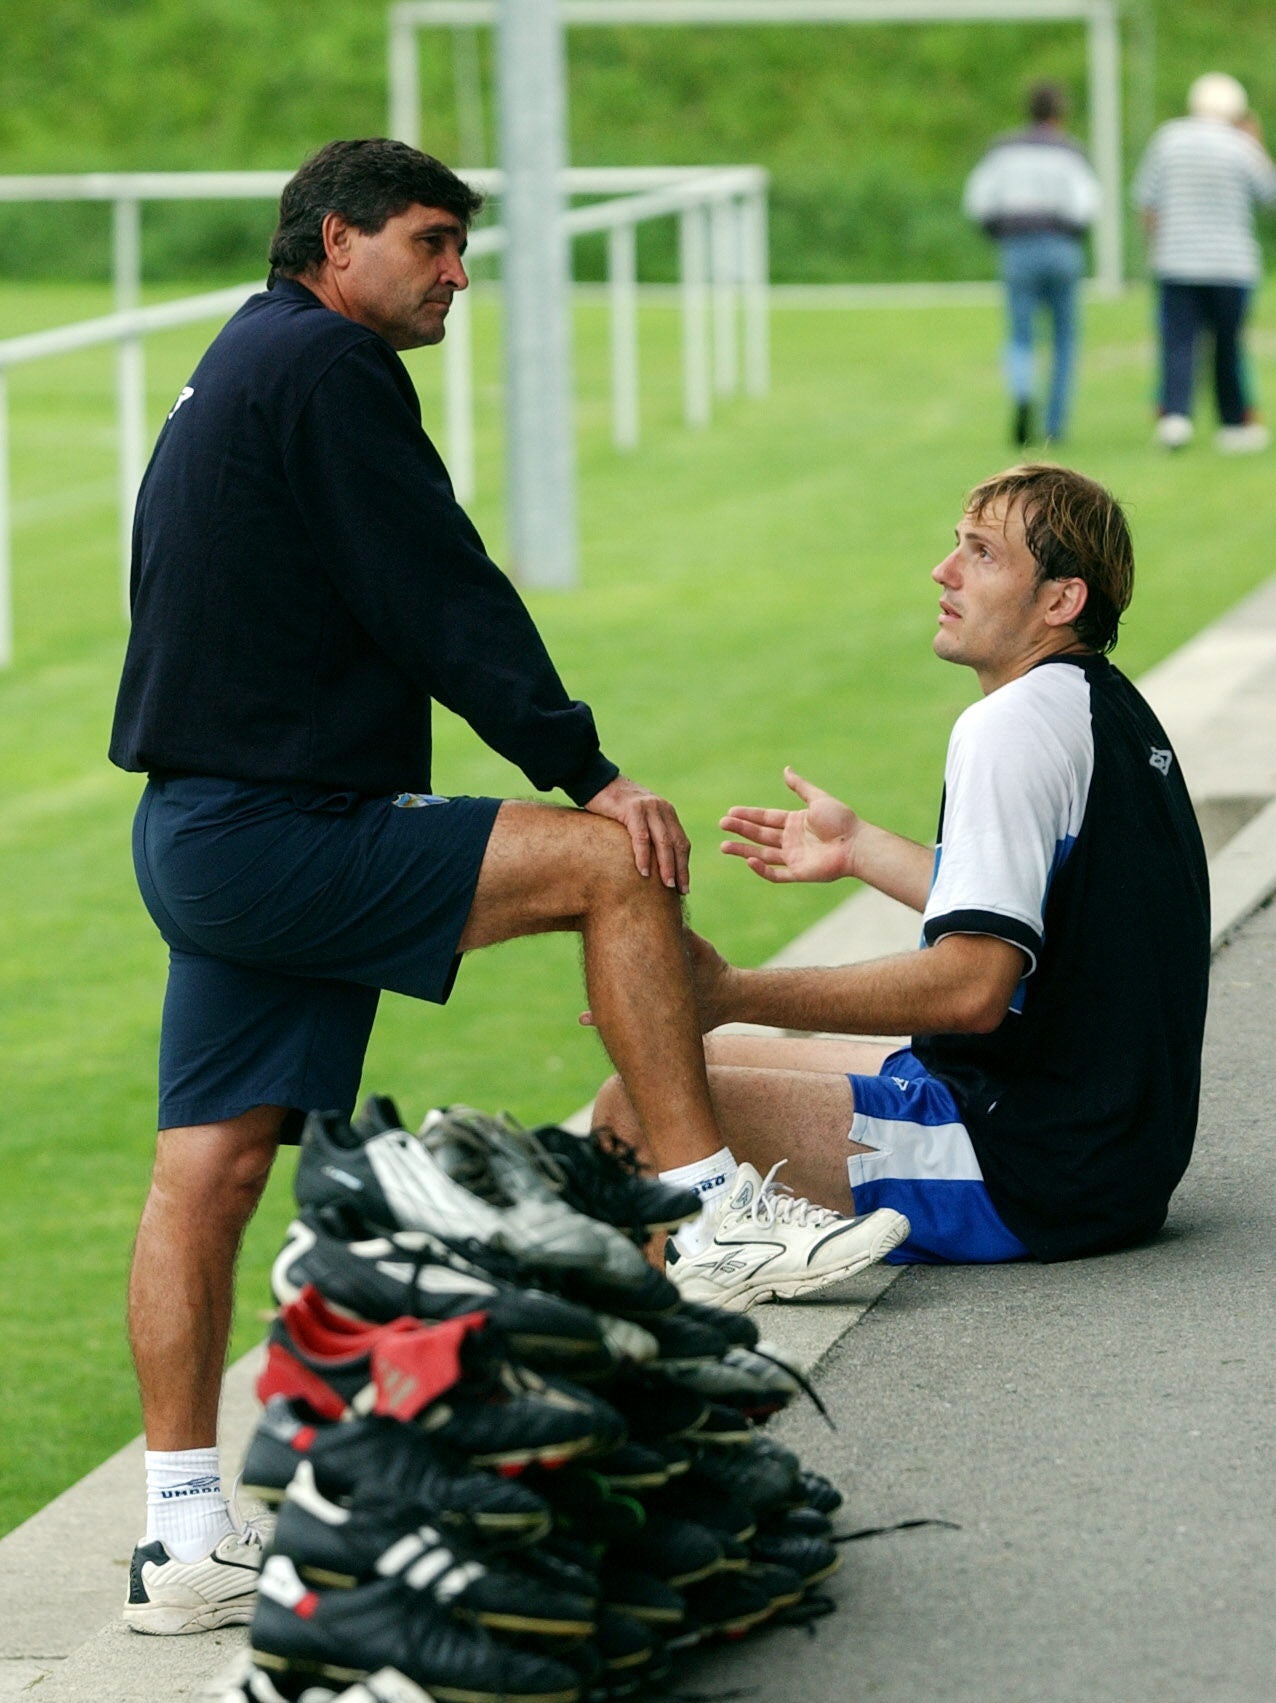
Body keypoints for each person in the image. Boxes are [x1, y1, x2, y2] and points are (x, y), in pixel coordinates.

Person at [109, 139, 906, 1635]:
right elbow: (439, 587)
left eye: (461, 245)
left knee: (203, 1174)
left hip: (204, 832)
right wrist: (586, 767)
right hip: (282, 829)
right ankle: (707, 1203)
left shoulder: (247, 356)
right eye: (431, 241)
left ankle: (177, 1534)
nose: (458, 271)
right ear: (335, 243)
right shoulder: (333, 371)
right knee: (619, 864)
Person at [594, 464, 1210, 1310]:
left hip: (1031, 1166)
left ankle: (677, 1370)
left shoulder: (1009, 726)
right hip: (1108, 1146)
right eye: (956, 545)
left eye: (981, 554)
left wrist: (730, 990)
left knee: (635, 1112)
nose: (943, 571)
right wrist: (859, 849)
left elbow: (970, 989)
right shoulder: (1103, 706)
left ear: (1060, 601)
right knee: (681, 1069)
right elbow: (1042, 916)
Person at [1132, 72, 1276, 452]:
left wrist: (1157, 248)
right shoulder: (1240, 144)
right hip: (1231, 265)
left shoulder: (1168, 139)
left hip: (1177, 262)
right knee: (1227, 345)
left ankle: (1176, 418)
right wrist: (1256, 142)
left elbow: (1147, 200)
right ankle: (1232, 424)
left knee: (1178, 341)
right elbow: (1269, 193)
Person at [963, 81, 1101, 447]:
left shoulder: (1004, 149)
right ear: (1060, 112)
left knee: (1020, 334)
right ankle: (1055, 424)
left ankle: (1023, 392)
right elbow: (1086, 204)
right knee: (1064, 338)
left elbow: (978, 201)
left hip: (1017, 247)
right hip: (1060, 245)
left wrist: (999, 233)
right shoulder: (1069, 151)